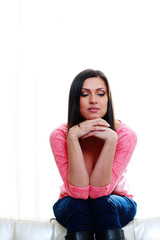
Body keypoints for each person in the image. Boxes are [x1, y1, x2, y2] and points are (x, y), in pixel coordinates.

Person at [50, 69, 137, 240]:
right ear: (76, 99)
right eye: (84, 94)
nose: (93, 101)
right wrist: (73, 137)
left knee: (102, 203)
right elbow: (80, 193)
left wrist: (112, 140)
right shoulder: (60, 135)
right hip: (72, 203)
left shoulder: (126, 135)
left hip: (117, 202)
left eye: (100, 94)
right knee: (79, 204)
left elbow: (99, 193)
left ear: (108, 98)